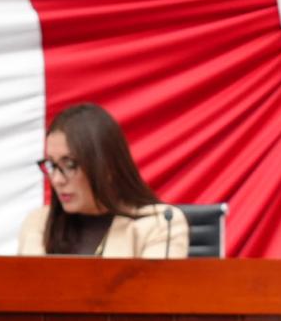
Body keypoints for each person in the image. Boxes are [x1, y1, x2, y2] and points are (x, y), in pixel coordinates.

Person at [18, 103, 189, 258]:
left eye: (69, 165)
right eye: (52, 165)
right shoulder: (38, 224)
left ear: (107, 166)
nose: (57, 180)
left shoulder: (159, 223)